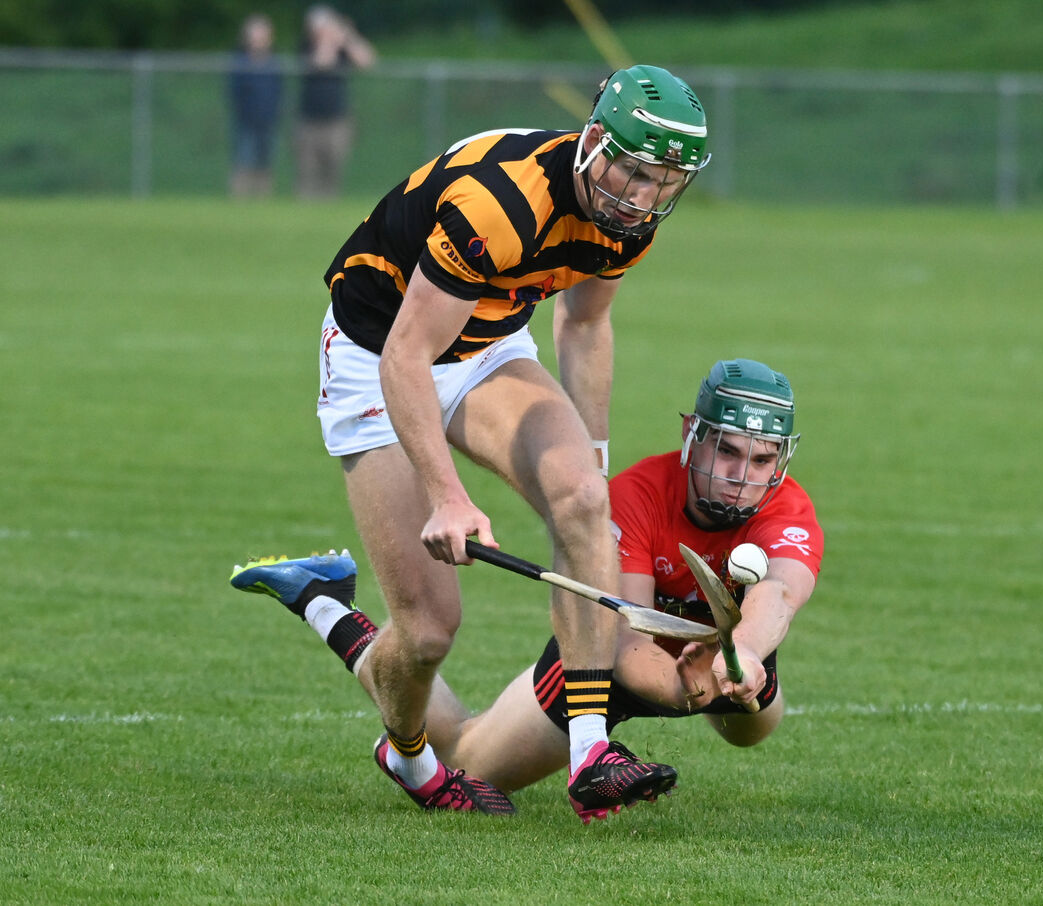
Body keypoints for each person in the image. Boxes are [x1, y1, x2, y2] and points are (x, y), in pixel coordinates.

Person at [240, 65, 711, 821]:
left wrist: (589, 472)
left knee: (585, 501)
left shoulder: (630, 220)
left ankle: (591, 750)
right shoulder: (498, 205)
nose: (643, 196)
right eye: (633, 171)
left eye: (664, 182)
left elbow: (584, 324)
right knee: (428, 632)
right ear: (594, 142)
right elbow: (406, 356)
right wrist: (448, 497)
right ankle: (405, 745)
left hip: (487, 343)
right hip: (378, 353)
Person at [232, 358, 822, 812]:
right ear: (694, 434)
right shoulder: (640, 495)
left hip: (714, 660)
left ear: (782, 462)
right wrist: (683, 684)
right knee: (462, 757)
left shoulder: (787, 510)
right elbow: (619, 641)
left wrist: (740, 656)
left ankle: (727, 681)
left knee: (754, 729)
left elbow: (781, 592)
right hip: (606, 655)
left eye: (762, 459)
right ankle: (323, 601)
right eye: (727, 450)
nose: (739, 478)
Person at [295, 5, 376, 198]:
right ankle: (305, 206)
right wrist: (330, 40)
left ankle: (329, 203)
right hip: (309, 120)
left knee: (334, 167)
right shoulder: (306, 46)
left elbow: (367, 61)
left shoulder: (343, 47)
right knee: (307, 169)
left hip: (337, 119)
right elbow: (322, 62)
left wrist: (348, 36)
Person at [228, 13, 284, 198]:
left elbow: (279, 92)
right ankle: (239, 199)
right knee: (244, 162)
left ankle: (262, 200)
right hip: (246, 121)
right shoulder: (239, 62)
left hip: (268, 121)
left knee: (265, 164)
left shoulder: (275, 63)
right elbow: (233, 93)